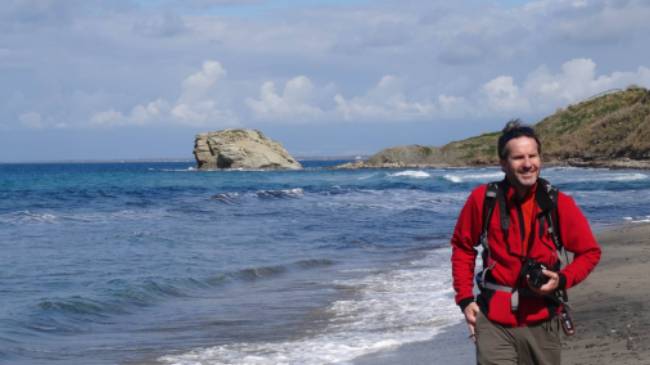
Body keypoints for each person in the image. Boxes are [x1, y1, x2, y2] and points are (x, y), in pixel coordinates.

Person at [450, 120, 601, 364]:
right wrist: (465, 299)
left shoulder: (558, 203)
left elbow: (589, 252)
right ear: (503, 163)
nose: (528, 164)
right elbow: (462, 247)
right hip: (493, 321)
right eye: (518, 157)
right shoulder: (483, 200)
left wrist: (562, 279)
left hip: (543, 320)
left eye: (533, 156)